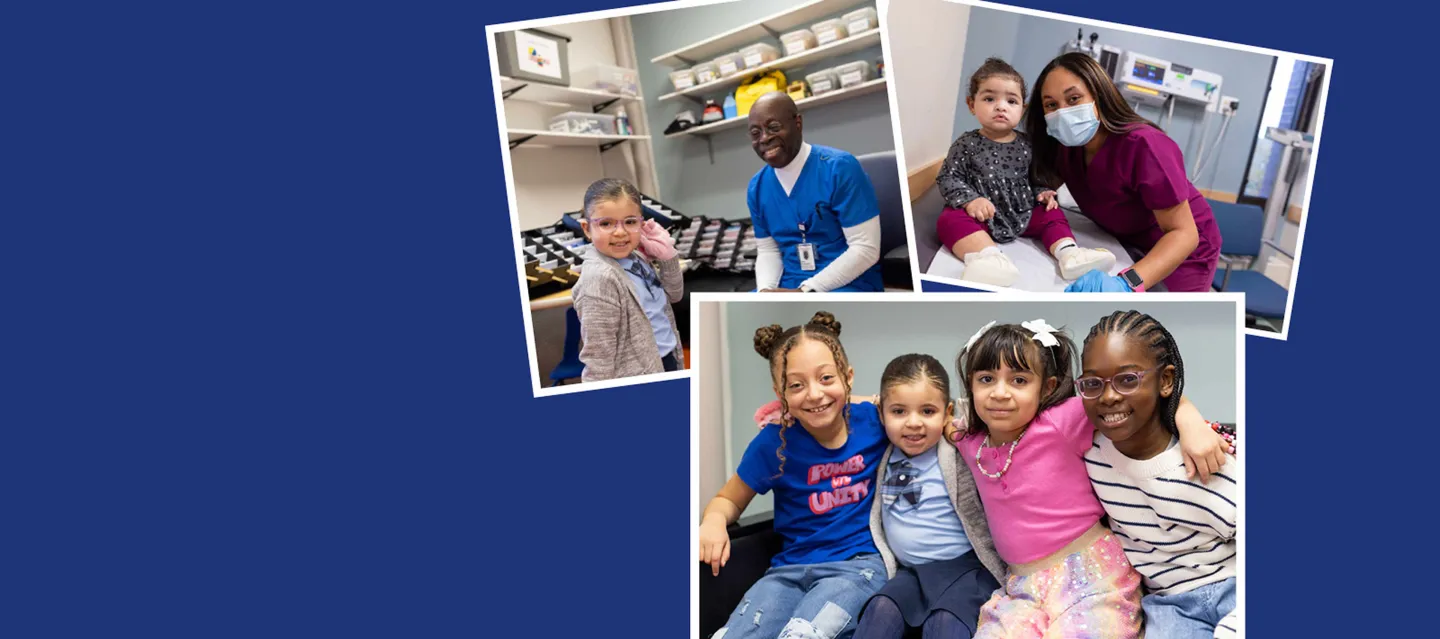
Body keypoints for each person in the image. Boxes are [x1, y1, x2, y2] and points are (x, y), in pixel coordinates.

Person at [946, 320, 1229, 638]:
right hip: (1022, 588)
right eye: (986, 379)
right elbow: (946, 420)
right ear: (971, 385)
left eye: (1019, 380)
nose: (999, 393)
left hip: (1091, 576)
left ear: (1048, 387)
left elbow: (1144, 400)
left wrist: (1191, 421)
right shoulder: (969, 440)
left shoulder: (1059, 422)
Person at [699, 312, 888, 639]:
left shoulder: (875, 421)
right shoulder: (775, 443)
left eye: (826, 378)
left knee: (805, 633)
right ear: (779, 392)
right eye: (797, 385)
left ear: (849, 376)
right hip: (787, 572)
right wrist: (714, 521)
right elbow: (728, 499)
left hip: (859, 567)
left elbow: (924, 415)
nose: (814, 394)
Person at [1079, 311, 1238, 638]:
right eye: (1093, 383)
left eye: (1127, 379)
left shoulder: (1207, 460)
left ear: (1165, 381)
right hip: (1169, 604)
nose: (1108, 396)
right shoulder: (1087, 450)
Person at [1025, 53, 1222, 293]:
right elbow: (1043, 188)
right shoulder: (1066, 149)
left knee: (1158, 322)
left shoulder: (1145, 145)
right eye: (1051, 105)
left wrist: (1127, 283)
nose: (1063, 112)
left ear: (1099, 96)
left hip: (1181, 247)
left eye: (1074, 99)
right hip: (1125, 240)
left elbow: (1183, 233)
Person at [853, 354, 1005, 639]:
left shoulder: (958, 447)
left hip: (965, 570)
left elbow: (978, 414)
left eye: (927, 411)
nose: (913, 423)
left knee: (946, 623)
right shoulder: (882, 449)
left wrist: (952, 424)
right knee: (880, 610)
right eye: (899, 412)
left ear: (947, 412)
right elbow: (847, 405)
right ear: (881, 412)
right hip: (912, 574)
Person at [936, 58, 1115, 288]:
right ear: (972, 104)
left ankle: (1069, 254)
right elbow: (948, 177)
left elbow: (1036, 178)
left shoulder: (1028, 145)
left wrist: (1043, 193)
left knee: (1052, 212)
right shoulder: (965, 144)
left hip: (1023, 211)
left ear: (1023, 109)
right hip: (983, 215)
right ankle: (989, 259)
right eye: (990, 99)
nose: (1001, 107)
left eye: (1011, 101)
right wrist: (971, 200)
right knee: (949, 218)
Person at [746, 92, 884, 293]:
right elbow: (769, 250)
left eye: (773, 127)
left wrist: (805, 291)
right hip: (789, 285)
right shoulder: (757, 187)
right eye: (755, 133)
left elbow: (866, 248)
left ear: (798, 123)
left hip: (847, 283)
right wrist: (766, 291)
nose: (764, 138)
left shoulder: (839, 168)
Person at [570, 178, 683, 381]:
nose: (620, 232)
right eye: (606, 223)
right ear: (587, 228)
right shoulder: (599, 280)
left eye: (630, 222)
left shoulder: (636, 257)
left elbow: (673, 296)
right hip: (638, 377)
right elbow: (598, 360)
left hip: (666, 359)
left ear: (641, 222)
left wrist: (668, 258)